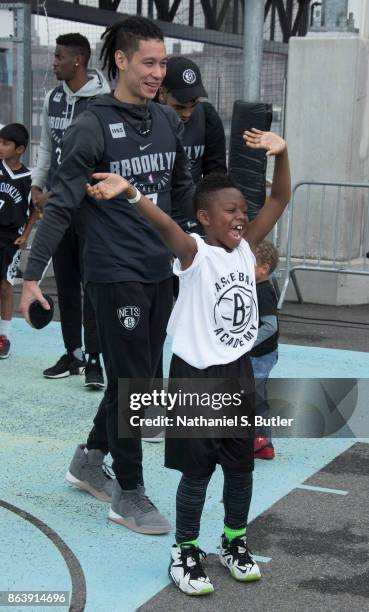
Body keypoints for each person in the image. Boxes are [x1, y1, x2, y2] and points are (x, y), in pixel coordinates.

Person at [85, 126, 291, 595]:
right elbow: (166, 226)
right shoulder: (196, 253)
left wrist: (283, 153)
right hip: (196, 375)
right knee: (197, 472)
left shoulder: (244, 249)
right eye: (231, 210)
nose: (241, 217)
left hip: (237, 375)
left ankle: (235, 541)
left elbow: (279, 198)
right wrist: (133, 192)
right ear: (205, 216)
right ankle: (185, 551)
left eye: (243, 209)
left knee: (241, 467)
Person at [20, 17, 195, 534]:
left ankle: (90, 459)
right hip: (111, 270)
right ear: (120, 60)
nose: (158, 73)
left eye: (163, 63)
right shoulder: (90, 125)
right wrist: (31, 276)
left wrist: (194, 249)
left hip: (157, 268)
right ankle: (130, 493)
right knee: (134, 382)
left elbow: (181, 190)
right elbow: (60, 207)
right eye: (149, 62)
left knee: (133, 378)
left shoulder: (166, 121)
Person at [31, 33, 110, 388]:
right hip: (60, 204)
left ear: (77, 60)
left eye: (59, 56)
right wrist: (37, 183)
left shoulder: (104, 100)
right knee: (64, 280)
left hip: (92, 206)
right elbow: (47, 146)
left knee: (91, 283)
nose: (54, 62)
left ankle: (95, 358)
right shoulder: (53, 98)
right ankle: (73, 353)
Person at [158, 55, 227, 232]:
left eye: (194, 104)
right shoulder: (147, 119)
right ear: (162, 94)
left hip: (192, 215)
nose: (187, 113)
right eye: (180, 107)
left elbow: (216, 175)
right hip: (157, 215)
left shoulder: (207, 117)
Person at [0, 123, 37, 359]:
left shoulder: (28, 178)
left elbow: (35, 210)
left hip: (10, 239)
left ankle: (3, 336)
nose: (0, 147)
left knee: (5, 286)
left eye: (5, 143)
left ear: (20, 149)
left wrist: (26, 234)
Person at [250, 240, 280, 460]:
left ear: (264, 268)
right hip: (257, 355)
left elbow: (270, 326)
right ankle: (261, 442)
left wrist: (247, 342)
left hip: (261, 356)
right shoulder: (256, 287)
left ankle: (261, 441)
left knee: (255, 398)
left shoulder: (264, 292)